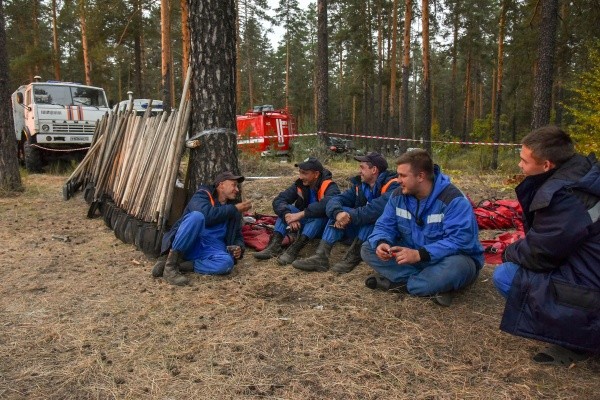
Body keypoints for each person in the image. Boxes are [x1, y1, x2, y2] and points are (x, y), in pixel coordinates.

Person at [492, 126, 600, 365]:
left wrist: (508, 251)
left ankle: (576, 337)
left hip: (591, 286)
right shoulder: (584, 174)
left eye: (524, 160)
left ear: (547, 165)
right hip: (590, 268)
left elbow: (539, 254)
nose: (519, 165)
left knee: (506, 275)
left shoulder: (564, 197)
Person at [361, 149, 484, 306]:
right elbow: (384, 225)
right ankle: (431, 285)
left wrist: (420, 254)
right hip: (413, 257)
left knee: (458, 267)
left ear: (420, 176)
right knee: (368, 248)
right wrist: (381, 242)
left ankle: (402, 285)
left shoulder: (453, 200)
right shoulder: (398, 196)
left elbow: (461, 241)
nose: (398, 180)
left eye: (403, 176)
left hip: (446, 260)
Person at [292, 152, 399, 273]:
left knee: (372, 219)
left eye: (362, 167)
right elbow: (334, 200)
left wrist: (349, 216)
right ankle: (321, 257)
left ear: (374, 170)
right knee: (339, 212)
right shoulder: (360, 185)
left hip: (385, 235)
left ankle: (352, 258)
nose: (359, 171)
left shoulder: (394, 186)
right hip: (359, 230)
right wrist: (338, 213)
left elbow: (374, 210)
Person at [153, 171, 252, 286]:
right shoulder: (202, 195)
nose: (237, 190)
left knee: (226, 263)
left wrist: (239, 247)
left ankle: (179, 265)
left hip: (212, 248)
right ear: (221, 185)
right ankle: (170, 268)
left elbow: (238, 234)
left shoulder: (233, 207)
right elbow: (207, 215)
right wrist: (234, 209)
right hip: (190, 243)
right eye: (233, 185)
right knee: (196, 216)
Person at [253, 157, 340, 265]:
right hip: (305, 222)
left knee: (318, 216)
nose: (300, 176)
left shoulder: (330, 186)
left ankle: (294, 250)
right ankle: (274, 246)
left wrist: (300, 214)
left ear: (316, 174)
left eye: (305, 173)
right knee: (286, 208)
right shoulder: (300, 184)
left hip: (322, 228)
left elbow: (329, 204)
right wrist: (287, 215)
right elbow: (279, 200)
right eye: (300, 172)